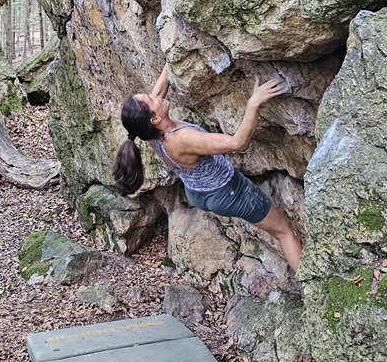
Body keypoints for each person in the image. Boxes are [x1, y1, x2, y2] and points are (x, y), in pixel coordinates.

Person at [112, 66, 302, 271]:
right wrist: (253, 104)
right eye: (150, 99)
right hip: (228, 192)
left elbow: (158, 93)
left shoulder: (149, 134)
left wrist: (171, 58)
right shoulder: (182, 139)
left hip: (197, 191)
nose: (154, 94)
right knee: (284, 231)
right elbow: (237, 143)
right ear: (155, 118)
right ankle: (311, 289)